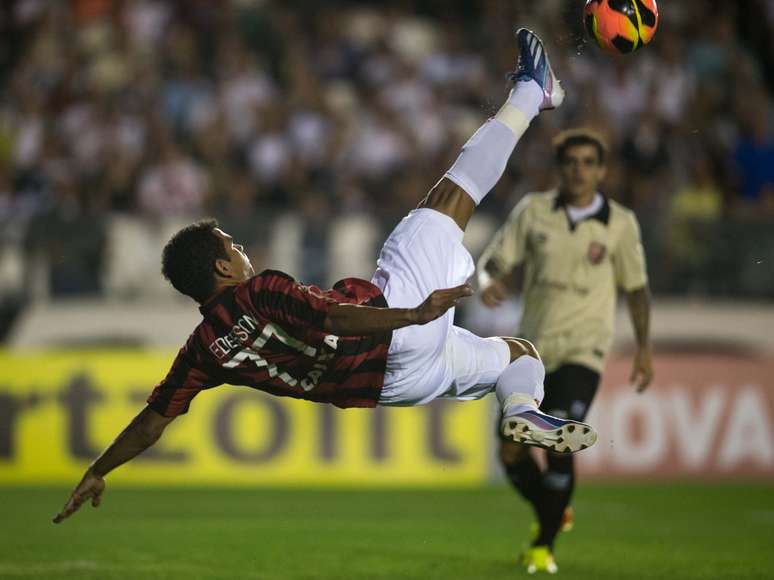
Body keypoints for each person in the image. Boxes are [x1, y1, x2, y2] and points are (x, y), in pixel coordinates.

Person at [53, 29, 597, 524]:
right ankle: (534, 90)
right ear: (222, 267)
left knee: (520, 355)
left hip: (393, 388)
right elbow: (330, 314)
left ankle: (524, 411)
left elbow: (153, 420)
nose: (241, 250)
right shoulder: (259, 292)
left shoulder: (203, 350)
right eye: (232, 246)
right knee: (449, 198)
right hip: (396, 324)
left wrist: (100, 468)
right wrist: (412, 312)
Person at [478, 128, 653, 574]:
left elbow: (636, 291)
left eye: (588, 162)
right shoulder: (534, 212)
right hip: (532, 352)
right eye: (571, 162)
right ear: (560, 168)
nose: (579, 170)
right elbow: (493, 262)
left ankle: (543, 545)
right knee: (511, 453)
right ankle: (554, 509)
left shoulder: (620, 223)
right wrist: (488, 283)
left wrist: (644, 349)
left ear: (601, 170)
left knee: (559, 440)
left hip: (584, 349)